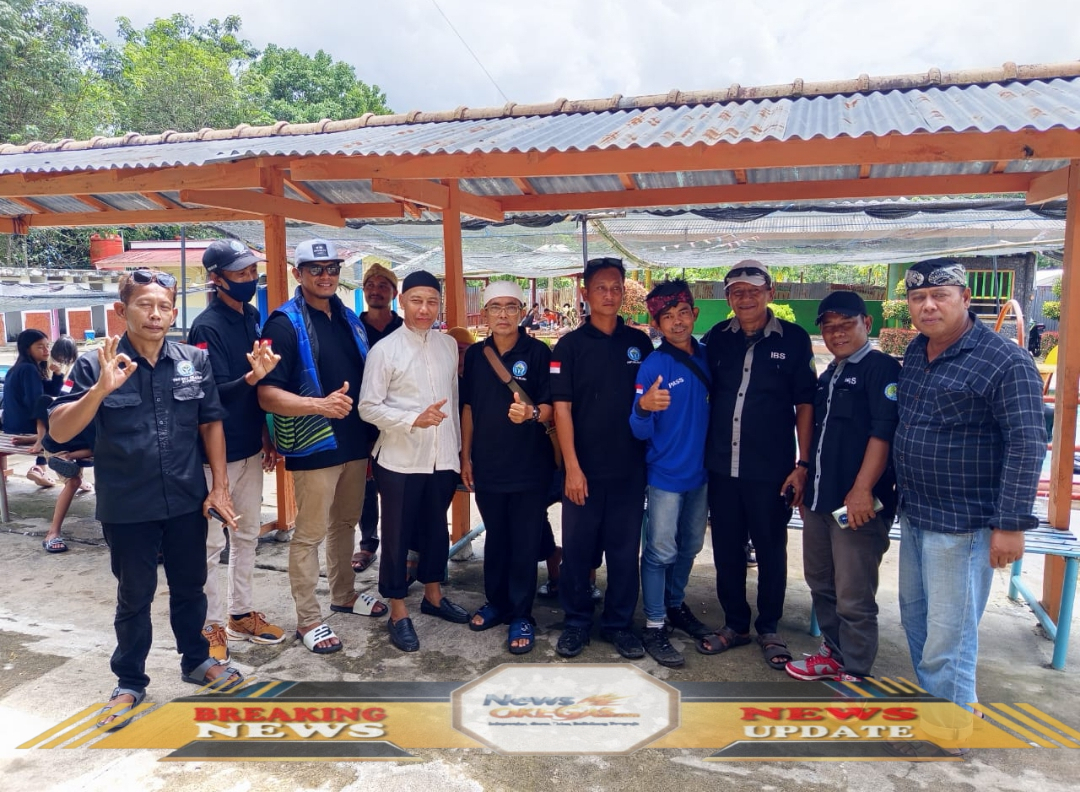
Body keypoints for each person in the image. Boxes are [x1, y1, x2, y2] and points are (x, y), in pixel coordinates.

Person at [49, 269, 244, 730]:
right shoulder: (96, 364)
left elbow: (210, 423)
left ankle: (196, 660)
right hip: (128, 505)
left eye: (163, 307)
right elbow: (58, 431)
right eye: (144, 304)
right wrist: (100, 391)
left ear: (173, 314)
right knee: (134, 595)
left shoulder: (193, 360)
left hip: (185, 499)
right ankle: (130, 680)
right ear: (122, 310)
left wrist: (219, 486)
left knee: (191, 587)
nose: (155, 314)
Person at [894, 258, 1045, 722]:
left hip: (964, 523)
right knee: (916, 618)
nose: (928, 306)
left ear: (965, 297)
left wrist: (1011, 524)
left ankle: (952, 724)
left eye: (939, 295)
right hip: (916, 512)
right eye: (918, 297)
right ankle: (941, 706)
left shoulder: (1005, 360)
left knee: (950, 633)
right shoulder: (917, 351)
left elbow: (1027, 444)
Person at [258, 239, 387, 656]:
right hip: (314, 444)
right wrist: (319, 405)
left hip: (354, 441)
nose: (325, 275)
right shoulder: (283, 324)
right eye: (315, 269)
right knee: (309, 534)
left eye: (331, 268)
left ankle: (343, 595)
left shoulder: (347, 318)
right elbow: (266, 394)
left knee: (345, 523)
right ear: (298, 274)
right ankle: (308, 620)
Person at [700, 261, 816, 668]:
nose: (745, 298)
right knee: (727, 550)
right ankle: (735, 624)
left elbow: (805, 403)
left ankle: (769, 627)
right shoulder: (717, 338)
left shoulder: (794, 339)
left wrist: (803, 463)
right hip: (721, 467)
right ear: (728, 297)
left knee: (770, 550)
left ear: (770, 292)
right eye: (737, 292)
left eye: (753, 290)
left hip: (771, 470)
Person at [785, 291, 900, 683]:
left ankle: (856, 671)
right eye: (829, 327)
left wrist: (863, 489)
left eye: (846, 325)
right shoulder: (829, 374)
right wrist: (804, 475)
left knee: (854, 595)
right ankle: (833, 655)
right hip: (821, 500)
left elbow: (883, 434)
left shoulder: (881, 369)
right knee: (821, 583)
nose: (837, 333)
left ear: (867, 324)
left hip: (858, 507)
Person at [189, 239, 287, 664]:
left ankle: (241, 614)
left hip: (249, 448)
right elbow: (208, 397)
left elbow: (255, 392)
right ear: (216, 278)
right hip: (216, 457)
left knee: (246, 535)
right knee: (211, 544)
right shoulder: (205, 327)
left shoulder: (250, 316)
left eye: (252, 271)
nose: (250, 279)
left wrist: (266, 435)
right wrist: (252, 378)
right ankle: (210, 625)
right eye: (241, 273)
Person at [358, 270, 467, 653]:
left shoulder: (448, 345)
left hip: (441, 457)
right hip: (400, 459)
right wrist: (411, 420)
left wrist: (457, 452)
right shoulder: (384, 350)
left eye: (432, 302)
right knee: (397, 535)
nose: (424, 309)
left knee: (436, 529)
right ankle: (398, 610)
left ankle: (433, 596)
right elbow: (367, 407)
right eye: (417, 301)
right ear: (401, 301)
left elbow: (453, 401)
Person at [550, 257, 652, 659]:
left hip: (629, 469)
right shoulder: (570, 347)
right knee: (577, 551)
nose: (609, 295)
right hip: (583, 471)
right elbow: (561, 410)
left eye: (615, 288)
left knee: (625, 554)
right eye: (600, 288)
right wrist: (572, 469)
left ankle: (619, 624)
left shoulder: (640, 344)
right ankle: (576, 622)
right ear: (585, 293)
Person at [460, 280, 555, 654]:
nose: (503, 314)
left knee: (524, 541)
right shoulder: (475, 355)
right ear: (484, 314)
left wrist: (530, 413)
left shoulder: (538, 352)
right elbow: (469, 408)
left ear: (522, 312)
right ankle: (496, 602)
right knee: (497, 538)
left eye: (511, 307)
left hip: (530, 466)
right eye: (495, 307)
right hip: (488, 464)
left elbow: (552, 406)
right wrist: (466, 457)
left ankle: (522, 614)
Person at [630, 280, 713, 668]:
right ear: (656, 323)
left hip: (701, 475)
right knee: (660, 550)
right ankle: (654, 624)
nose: (677, 322)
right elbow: (637, 429)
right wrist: (644, 407)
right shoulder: (654, 365)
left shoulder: (709, 357)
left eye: (683, 313)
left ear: (694, 314)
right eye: (667, 317)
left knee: (691, 546)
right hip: (664, 475)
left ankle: (675, 605)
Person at [352, 262, 404, 575]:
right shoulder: (352, 328)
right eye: (370, 285)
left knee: (399, 484)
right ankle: (368, 542)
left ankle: (403, 548)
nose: (376, 291)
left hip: (400, 413)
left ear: (394, 293)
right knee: (365, 483)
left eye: (383, 285)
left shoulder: (405, 328)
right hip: (362, 415)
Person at [4, 329, 63, 487]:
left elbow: (51, 392)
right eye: (40, 347)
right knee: (68, 427)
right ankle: (43, 466)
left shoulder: (20, 368)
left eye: (47, 346)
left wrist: (57, 375)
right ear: (27, 349)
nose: (46, 350)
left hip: (12, 424)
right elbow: (36, 402)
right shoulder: (29, 369)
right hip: (24, 425)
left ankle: (40, 464)